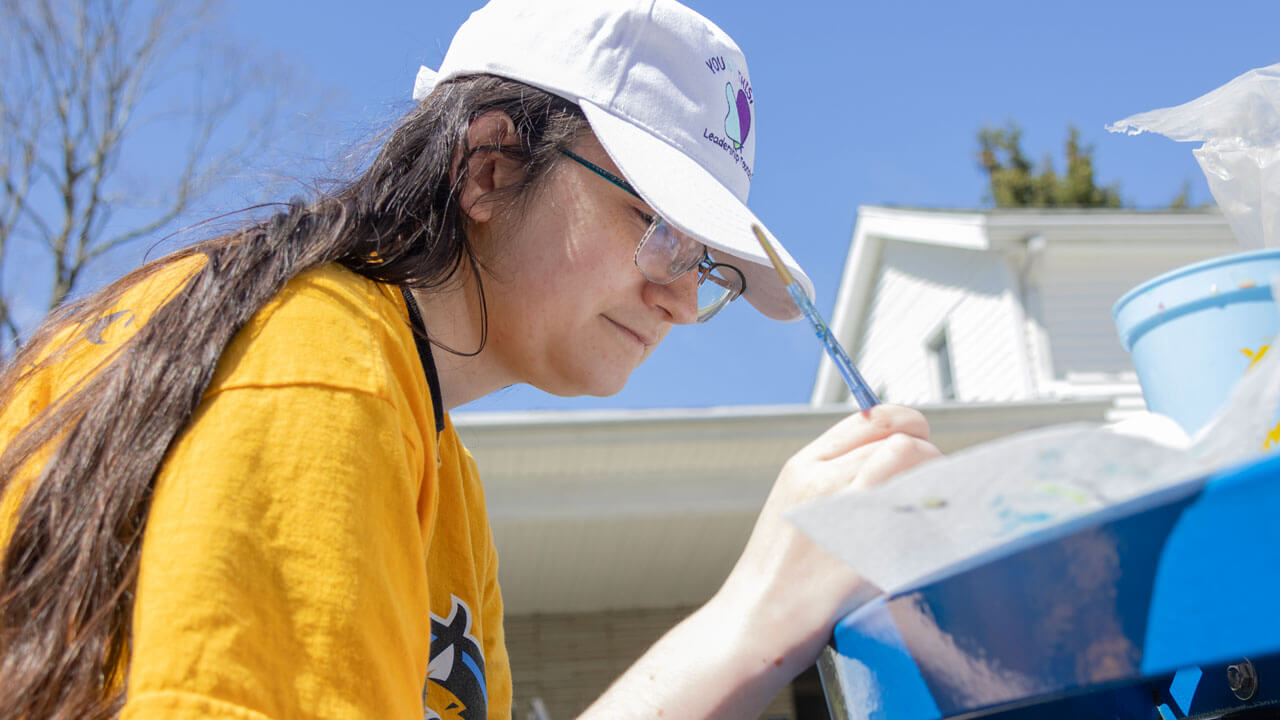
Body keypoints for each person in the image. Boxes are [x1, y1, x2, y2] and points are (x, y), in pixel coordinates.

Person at [0, 0, 941, 718]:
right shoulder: (316, 365)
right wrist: (754, 619)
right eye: (657, 226)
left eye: (709, 265)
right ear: (488, 168)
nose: (683, 296)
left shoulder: (435, 459)